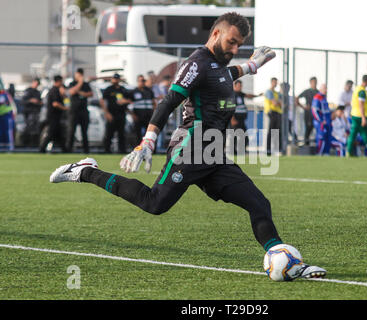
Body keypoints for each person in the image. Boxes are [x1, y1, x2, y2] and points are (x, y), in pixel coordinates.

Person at [50, 12, 326, 280]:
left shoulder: (217, 65)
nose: (235, 48)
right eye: (231, 41)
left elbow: (225, 75)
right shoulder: (197, 63)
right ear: (215, 33)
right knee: (154, 203)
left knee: (258, 203)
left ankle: (283, 258)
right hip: (191, 148)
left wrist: (253, 65)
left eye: (240, 44)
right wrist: (148, 140)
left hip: (214, 153)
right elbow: (169, 101)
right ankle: (85, 171)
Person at [100, 73, 132, 154]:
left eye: (117, 79)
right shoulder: (109, 89)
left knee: (121, 134)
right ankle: (107, 150)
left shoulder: (123, 89)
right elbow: (102, 101)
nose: (115, 80)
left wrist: (125, 101)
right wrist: (106, 113)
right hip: (111, 114)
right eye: (114, 78)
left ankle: (122, 151)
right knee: (109, 134)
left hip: (121, 114)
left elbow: (130, 100)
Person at [346, 74, 367, 157]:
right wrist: (363, 118)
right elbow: (361, 104)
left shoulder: (358, 88)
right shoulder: (362, 91)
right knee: (365, 135)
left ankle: (348, 152)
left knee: (353, 134)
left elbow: (364, 92)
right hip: (360, 116)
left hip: (355, 115)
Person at [230, 79, 261, 154]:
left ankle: (242, 150)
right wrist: (232, 119)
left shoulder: (240, 94)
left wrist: (258, 95)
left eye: (241, 86)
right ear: (235, 86)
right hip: (235, 119)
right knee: (235, 135)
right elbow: (230, 108)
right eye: (239, 86)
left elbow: (248, 95)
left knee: (244, 136)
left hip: (241, 119)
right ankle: (233, 151)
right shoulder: (232, 95)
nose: (240, 87)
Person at [66, 68, 93, 153]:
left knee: (84, 132)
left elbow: (90, 94)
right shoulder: (72, 83)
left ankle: (86, 150)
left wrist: (81, 93)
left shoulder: (86, 85)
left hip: (83, 111)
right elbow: (72, 92)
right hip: (74, 111)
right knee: (71, 131)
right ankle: (68, 149)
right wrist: (80, 83)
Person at [40, 75, 68, 153]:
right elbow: (55, 104)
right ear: (58, 81)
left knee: (59, 134)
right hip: (53, 116)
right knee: (50, 134)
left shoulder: (58, 91)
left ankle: (65, 150)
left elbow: (66, 101)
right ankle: (42, 149)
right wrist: (65, 108)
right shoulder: (54, 90)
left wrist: (64, 95)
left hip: (57, 116)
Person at [130, 74, 157, 145]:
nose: (143, 82)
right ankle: (138, 149)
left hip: (148, 115)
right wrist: (132, 115)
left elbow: (154, 102)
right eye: (141, 81)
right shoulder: (133, 92)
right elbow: (129, 104)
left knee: (149, 133)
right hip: (138, 116)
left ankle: (151, 149)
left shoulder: (149, 91)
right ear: (138, 81)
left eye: (144, 81)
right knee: (137, 134)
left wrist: (154, 113)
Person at [311, 84, 332, 155]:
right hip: (321, 123)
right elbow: (314, 111)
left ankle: (326, 153)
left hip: (327, 122)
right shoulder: (317, 97)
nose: (326, 90)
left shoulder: (324, 98)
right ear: (320, 89)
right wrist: (321, 121)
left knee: (327, 138)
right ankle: (319, 153)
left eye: (326, 88)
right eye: (324, 88)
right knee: (321, 137)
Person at [297, 77, 318, 146]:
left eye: (315, 82)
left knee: (316, 128)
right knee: (308, 128)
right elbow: (297, 98)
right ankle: (306, 144)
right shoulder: (307, 91)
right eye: (313, 82)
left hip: (316, 114)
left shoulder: (318, 92)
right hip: (308, 114)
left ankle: (317, 145)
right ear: (310, 83)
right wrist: (303, 107)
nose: (314, 83)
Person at [264, 77, 283, 155]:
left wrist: (278, 102)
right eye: (274, 82)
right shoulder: (269, 92)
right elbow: (275, 103)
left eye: (276, 82)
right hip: (271, 112)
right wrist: (278, 102)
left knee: (278, 131)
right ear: (271, 82)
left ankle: (278, 149)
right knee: (271, 131)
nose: (275, 84)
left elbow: (281, 103)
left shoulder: (277, 93)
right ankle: (268, 150)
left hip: (278, 112)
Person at [22, 78, 43, 146]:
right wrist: (31, 100)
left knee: (35, 129)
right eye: (36, 84)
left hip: (36, 112)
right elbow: (23, 101)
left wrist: (39, 103)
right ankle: (26, 143)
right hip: (29, 112)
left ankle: (34, 144)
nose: (36, 85)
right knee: (28, 128)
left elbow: (40, 102)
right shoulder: (28, 91)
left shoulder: (37, 92)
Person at [0, 83, 15, 152]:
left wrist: (14, 114)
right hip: (1, 115)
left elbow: (12, 104)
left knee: (8, 132)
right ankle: (2, 147)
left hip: (7, 115)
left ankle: (10, 148)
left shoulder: (5, 94)